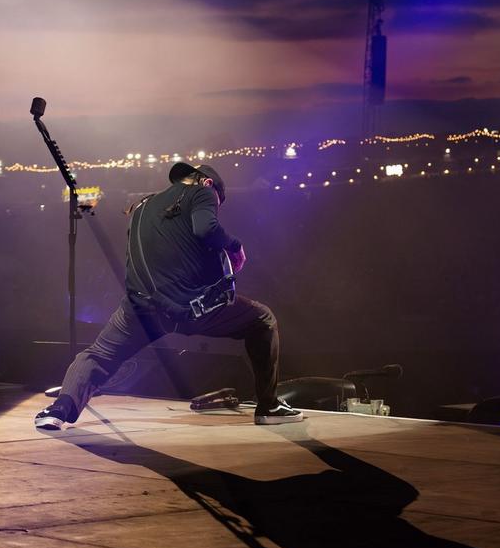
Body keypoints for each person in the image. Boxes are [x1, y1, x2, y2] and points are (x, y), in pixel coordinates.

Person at [35, 161, 302, 429]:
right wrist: (235, 247)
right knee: (262, 319)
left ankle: (58, 410)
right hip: (191, 307)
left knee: (98, 356)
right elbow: (205, 228)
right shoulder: (203, 191)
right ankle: (268, 406)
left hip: (140, 308)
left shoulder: (143, 206)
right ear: (207, 182)